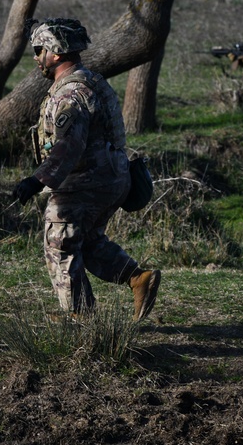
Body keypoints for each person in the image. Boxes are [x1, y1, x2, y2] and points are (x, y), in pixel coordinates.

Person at [11, 18, 161, 321]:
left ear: (55, 52)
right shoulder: (91, 80)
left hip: (84, 182)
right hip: (112, 177)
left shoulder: (70, 94)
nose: (36, 57)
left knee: (60, 245)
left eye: (39, 49)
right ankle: (137, 279)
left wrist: (36, 180)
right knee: (88, 241)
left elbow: (69, 146)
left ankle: (81, 319)